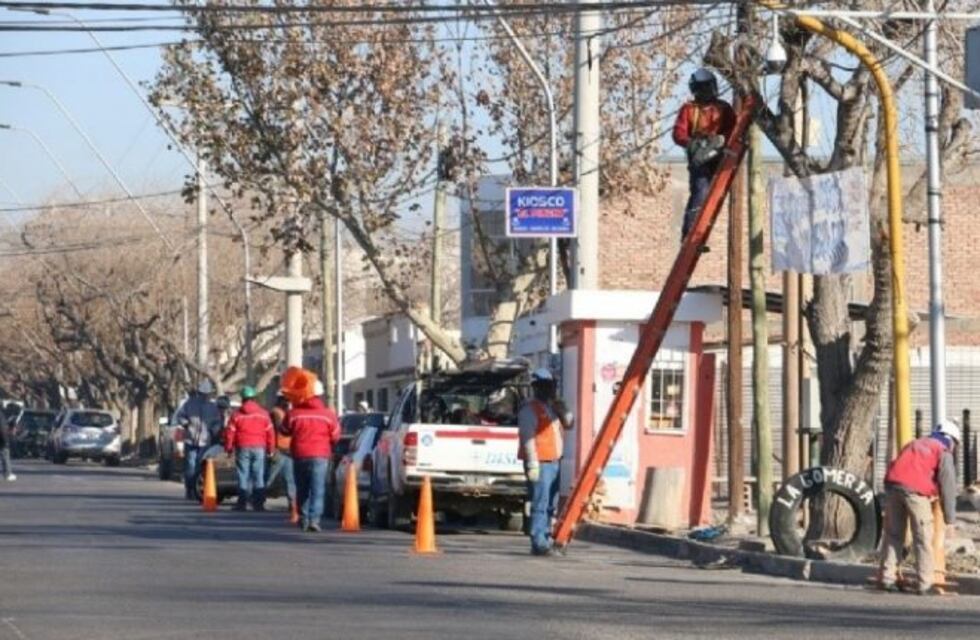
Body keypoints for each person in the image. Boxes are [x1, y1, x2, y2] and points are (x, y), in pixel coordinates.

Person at [879, 420, 959, 595]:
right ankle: (924, 583)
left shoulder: (914, 443)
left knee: (893, 534)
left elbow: (897, 465)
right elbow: (948, 486)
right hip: (915, 492)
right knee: (922, 537)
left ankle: (887, 578)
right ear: (952, 439)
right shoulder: (943, 451)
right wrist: (950, 520)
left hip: (892, 487)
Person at [672, 68, 737, 239]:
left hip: (719, 156)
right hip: (699, 159)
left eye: (709, 87)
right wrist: (694, 144)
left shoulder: (723, 108)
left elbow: (733, 130)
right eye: (703, 87)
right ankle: (690, 234)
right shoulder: (689, 109)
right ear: (696, 89)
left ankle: (702, 231)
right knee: (700, 190)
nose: (707, 91)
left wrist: (719, 140)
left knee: (716, 192)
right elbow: (679, 133)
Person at [518, 368, 573, 556]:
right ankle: (538, 540)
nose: (549, 390)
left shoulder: (551, 408)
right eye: (545, 386)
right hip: (540, 463)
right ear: (536, 388)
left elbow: (569, 423)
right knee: (540, 502)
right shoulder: (529, 409)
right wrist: (532, 463)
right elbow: (528, 437)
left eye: (551, 386)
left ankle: (545, 536)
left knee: (550, 503)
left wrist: (562, 408)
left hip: (553, 462)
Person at [284, 379, 341, 532]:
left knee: (302, 488)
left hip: (299, 454)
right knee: (317, 488)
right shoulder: (328, 415)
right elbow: (335, 435)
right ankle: (314, 519)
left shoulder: (294, 414)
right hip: (320, 455)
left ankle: (303, 518)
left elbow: (284, 430)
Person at [224, 386, 275, 511]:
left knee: (243, 475)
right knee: (258, 475)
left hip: (243, 447)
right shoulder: (264, 414)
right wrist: (271, 449)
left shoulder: (236, 415)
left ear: (242, 399)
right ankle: (259, 504)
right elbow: (270, 433)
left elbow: (230, 433)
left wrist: (229, 448)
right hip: (259, 447)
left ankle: (242, 503)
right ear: (254, 398)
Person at [176, 380, 222, 500]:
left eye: (207, 394)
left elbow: (217, 421)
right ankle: (189, 489)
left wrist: (215, 430)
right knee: (190, 466)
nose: (205, 396)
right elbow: (180, 416)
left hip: (205, 441)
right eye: (203, 394)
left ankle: (197, 489)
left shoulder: (213, 407)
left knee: (199, 466)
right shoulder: (189, 404)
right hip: (191, 440)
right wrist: (186, 424)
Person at [266, 394, 298, 519]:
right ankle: (256, 498)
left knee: (290, 479)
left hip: (288, 450)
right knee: (270, 476)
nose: (288, 403)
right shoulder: (276, 412)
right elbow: (280, 427)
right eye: (286, 400)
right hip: (279, 449)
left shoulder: (288, 413)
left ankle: (293, 504)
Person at [0, 410, 14, 481]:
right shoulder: (1, 415)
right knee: (5, 454)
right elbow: (2, 428)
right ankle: (7, 473)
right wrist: (5, 440)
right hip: (1, 438)